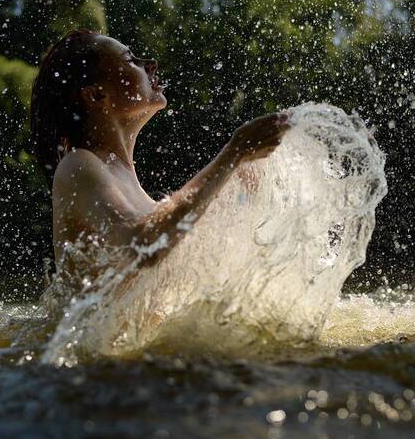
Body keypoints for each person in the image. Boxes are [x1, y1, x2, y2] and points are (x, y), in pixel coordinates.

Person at [30, 29, 290, 285]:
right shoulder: (79, 165)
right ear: (97, 95)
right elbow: (144, 246)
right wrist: (233, 154)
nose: (151, 64)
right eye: (131, 60)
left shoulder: (127, 184)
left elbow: (166, 244)